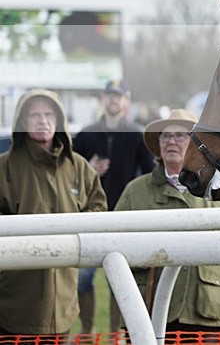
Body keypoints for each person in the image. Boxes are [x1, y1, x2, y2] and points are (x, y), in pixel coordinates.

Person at [115, 109, 220, 334]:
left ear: (195, 144)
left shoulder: (217, 189)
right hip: (148, 307)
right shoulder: (135, 190)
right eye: (165, 136)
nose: (172, 141)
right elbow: (113, 244)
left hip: (205, 306)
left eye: (180, 136)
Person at [0, 89, 107, 336]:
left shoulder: (79, 167)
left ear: (59, 121)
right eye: (34, 115)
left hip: (63, 300)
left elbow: (98, 208)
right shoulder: (4, 167)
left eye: (49, 114)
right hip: (13, 301)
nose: (42, 120)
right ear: (22, 122)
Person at [72, 79, 154, 333]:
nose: (113, 100)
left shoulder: (137, 134)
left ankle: (115, 333)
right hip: (88, 215)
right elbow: (68, 172)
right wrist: (89, 169)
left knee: (118, 279)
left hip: (124, 216)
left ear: (126, 101)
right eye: (109, 95)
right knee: (83, 278)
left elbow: (150, 174)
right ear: (103, 100)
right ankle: (87, 331)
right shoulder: (86, 134)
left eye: (118, 96)